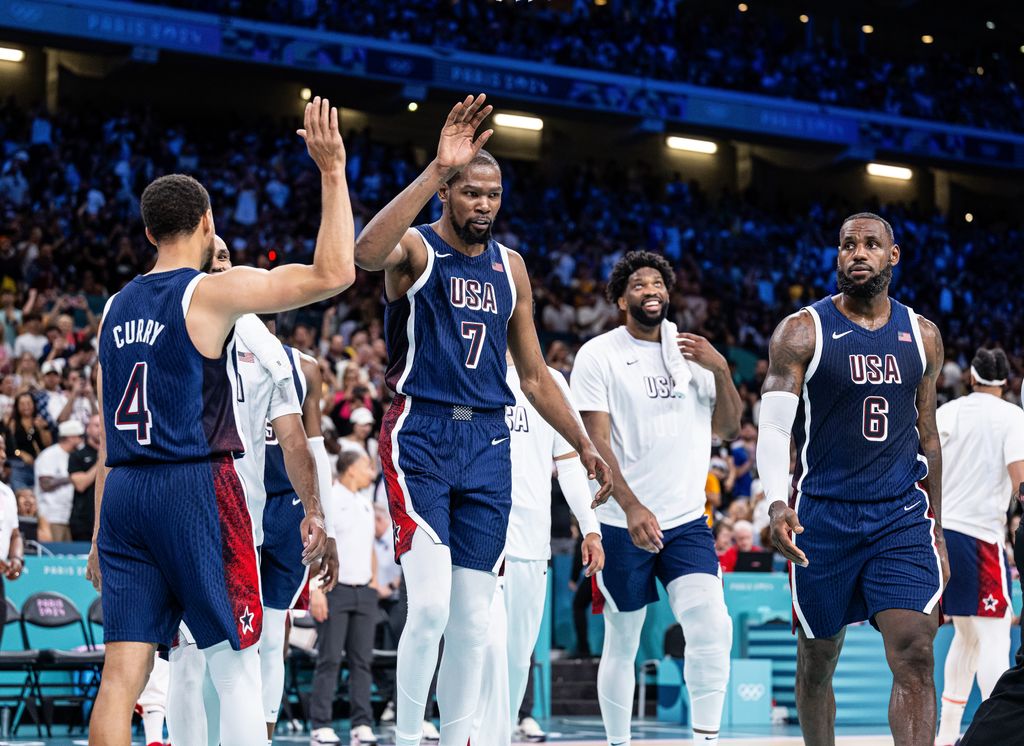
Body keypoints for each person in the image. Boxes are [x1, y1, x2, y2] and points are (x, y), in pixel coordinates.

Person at [85, 95, 354, 746]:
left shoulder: (115, 308)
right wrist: (332, 170)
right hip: (194, 487)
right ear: (207, 225)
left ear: (148, 233)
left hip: (124, 493)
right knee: (235, 665)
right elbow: (334, 272)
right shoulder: (208, 293)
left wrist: (97, 534)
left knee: (121, 676)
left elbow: (103, 431)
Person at [353, 93, 611, 746]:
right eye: (470, 192)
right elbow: (363, 252)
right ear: (449, 193)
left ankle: (460, 735)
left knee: (473, 619)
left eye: (492, 194)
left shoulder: (511, 266)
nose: (483, 206)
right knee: (433, 604)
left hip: (489, 437)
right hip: (422, 432)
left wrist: (583, 445)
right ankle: (408, 736)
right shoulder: (416, 250)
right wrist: (435, 169)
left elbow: (533, 376)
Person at [756, 212, 947, 746]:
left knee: (915, 652)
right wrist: (776, 502)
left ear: (894, 255)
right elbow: (774, 426)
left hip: (900, 516)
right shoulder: (801, 331)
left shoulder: (923, 336)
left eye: (870, 244)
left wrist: (937, 527)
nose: (857, 253)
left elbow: (928, 436)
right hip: (824, 516)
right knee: (818, 659)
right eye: (847, 245)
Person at [165, 237, 339, 746]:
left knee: (262, 641)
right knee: (191, 652)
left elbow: (306, 446)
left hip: (265, 512)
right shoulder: (176, 331)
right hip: (192, 503)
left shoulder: (287, 362)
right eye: (212, 259)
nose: (221, 267)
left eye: (226, 260)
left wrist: (319, 515)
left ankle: (254, 732)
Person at [572, 250, 743, 746]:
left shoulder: (692, 354)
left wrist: (722, 370)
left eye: (659, 284)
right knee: (623, 640)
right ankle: (619, 743)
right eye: (640, 285)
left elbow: (728, 429)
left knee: (712, 625)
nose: (652, 291)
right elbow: (595, 443)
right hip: (620, 521)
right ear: (622, 298)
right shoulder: (598, 354)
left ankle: (706, 740)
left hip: (686, 521)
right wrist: (630, 505)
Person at [472, 350, 606, 744]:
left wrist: (591, 528)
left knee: (516, 658)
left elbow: (568, 464)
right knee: (487, 649)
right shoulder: (472, 370)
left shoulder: (552, 381)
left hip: (531, 543)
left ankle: (499, 736)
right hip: (478, 537)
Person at [933, 348, 1024, 745]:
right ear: (1006, 382)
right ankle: (999, 733)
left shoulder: (948, 411)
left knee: (967, 638)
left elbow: (923, 458)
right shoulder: (1013, 417)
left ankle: (947, 734)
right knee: (995, 636)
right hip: (979, 536)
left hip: (939, 533)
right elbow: (1020, 478)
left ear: (971, 378)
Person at [309, 451, 380, 745]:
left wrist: (373, 582)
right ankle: (320, 724)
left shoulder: (364, 502)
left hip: (364, 591)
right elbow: (316, 546)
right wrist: (315, 589)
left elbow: (370, 547)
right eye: (366, 464)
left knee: (362, 661)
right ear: (350, 469)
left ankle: (361, 724)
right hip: (333, 590)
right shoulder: (332, 500)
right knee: (329, 660)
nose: (371, 469)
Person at [33, 419, 83, 541]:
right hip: (51, 516)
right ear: (71, 437)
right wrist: (71, 478)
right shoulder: (49, 455)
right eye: (79, 436)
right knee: (52, 557)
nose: (82, 440)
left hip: (67, 517)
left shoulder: (72, 456)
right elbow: (45, 484)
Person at [0, 433, 23, 645]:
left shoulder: (7, 493)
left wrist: (16, 559)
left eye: (3, 449)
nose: (1, 455)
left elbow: (15, 534)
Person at [5, 391, 51, 490]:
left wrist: (42, 429)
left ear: (34, 404)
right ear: (17, 406)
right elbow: (8, 446)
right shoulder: (12, 424)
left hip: (38, 465)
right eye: (22, 404)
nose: (26, 406)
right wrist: (20, 453)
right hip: (18, 465)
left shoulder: (41, 421)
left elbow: (48, 445)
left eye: (29, 403)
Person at [68, 414, 101, 541]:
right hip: (84, 522)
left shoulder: (115, 454)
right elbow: (81, 485)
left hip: (107, 518)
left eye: (102, 426)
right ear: (87, 429)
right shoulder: (77, 456)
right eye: (96, 426)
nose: (100, 429)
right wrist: (101, 459)